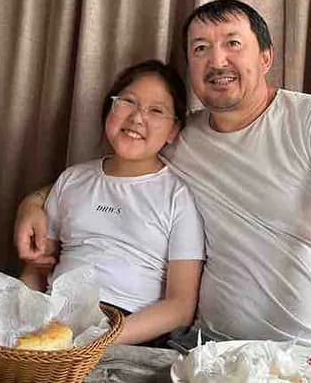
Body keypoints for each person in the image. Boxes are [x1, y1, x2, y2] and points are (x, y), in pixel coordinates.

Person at [15, 0, 311, 382]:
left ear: (266, 57)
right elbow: (113, 170)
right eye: (200, 49)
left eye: (232, 43)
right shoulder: (181, 136)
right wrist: (34, 203)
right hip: (212, 357)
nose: (217, 60)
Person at [19, 60, 205, 346]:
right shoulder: (72, 179)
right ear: (110, 108)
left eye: (156, 110)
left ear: (173, 130)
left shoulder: (178, 198)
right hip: (54, 325)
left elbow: (180, 307)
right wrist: (21, 323)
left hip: (129, 333)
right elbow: (38, 269)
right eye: (128, 102)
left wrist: (102, 339)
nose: (137, 118)